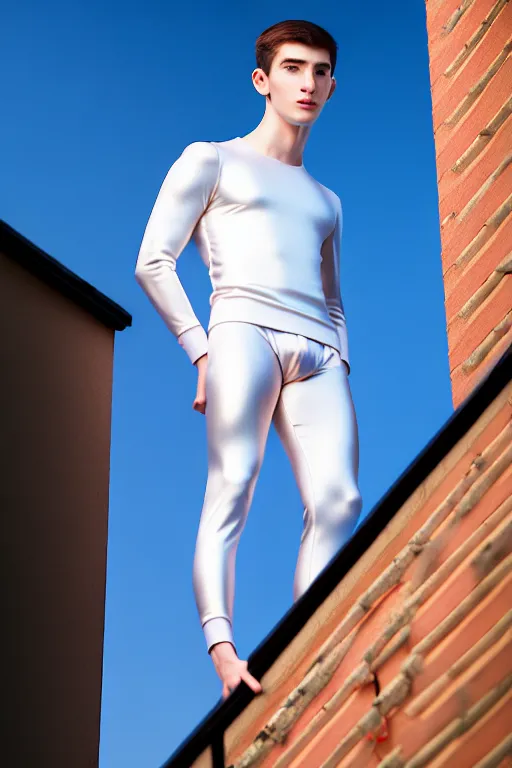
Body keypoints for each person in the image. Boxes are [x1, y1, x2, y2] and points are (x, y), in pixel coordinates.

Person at [135, 18, 363, 701]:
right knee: (234, 479)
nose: (309, 83)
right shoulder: (211, 159)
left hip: (319, 350)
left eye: (321, 71)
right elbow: (153, 261)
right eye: (294, 68)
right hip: (242, 329)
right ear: (263, 80)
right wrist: (200, 351)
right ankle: (225, 651)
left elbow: (335, 297)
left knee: (340, 499)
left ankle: (317, 644)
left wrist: (341, 363)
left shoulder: (328, 202)